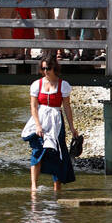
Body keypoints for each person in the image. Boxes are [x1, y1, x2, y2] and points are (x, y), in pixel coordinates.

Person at [22, 55, 79, 191]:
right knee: (37, 150)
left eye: (48, 68)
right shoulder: (37, 84)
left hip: (56, 121)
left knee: (57, 152)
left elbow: (66, 107)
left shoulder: (63, 85)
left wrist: (72, 127)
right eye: (43, 68)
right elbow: (33, 107)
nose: (46, 71)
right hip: (41, 119)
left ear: (55, 68)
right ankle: (34, 186)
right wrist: (37, 125)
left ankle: (56, 187)